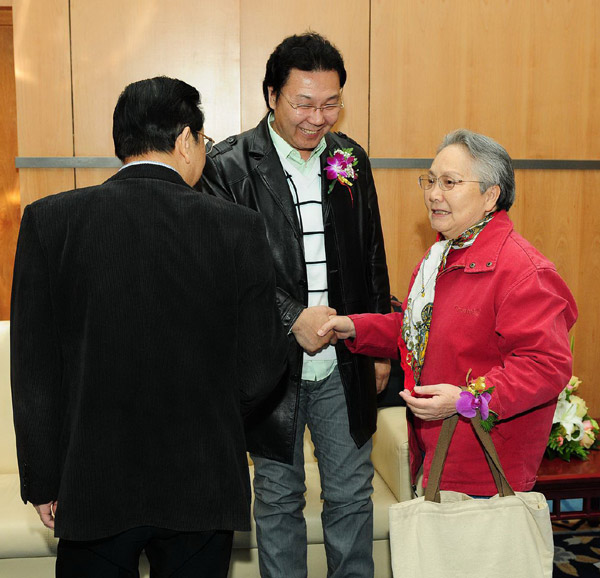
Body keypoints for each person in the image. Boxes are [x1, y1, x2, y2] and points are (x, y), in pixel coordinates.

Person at [10, 76, 287, 578]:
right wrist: (215, 413)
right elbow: (261, 369)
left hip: (92, 482)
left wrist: (44, 480)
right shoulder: (239, 227)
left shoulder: (50, 222)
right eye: (202, 141)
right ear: (185, 139)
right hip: (202, 479)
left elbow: (33, 372)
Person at [201, 32, 390, 578]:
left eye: (330, 104)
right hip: (270, 365)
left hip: (344, 358)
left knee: (352, 497)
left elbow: (370, 256)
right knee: (279, 500)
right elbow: (227, 271)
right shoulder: (229, 166)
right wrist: (290, 318)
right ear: (271, 95)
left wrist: (379, 346)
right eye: (303, 103)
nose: (317, 118)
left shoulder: (350, 159)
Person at [319, 129, 577, 497]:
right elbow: (421, 333)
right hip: (437, 455)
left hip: (486, 468)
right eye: (431, 180)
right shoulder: (441, 256)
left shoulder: (522, 271)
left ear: (491, 196)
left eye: (450, 183)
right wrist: (353, 327)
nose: (433, 194)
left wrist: (465, 400)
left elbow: (545, 365)